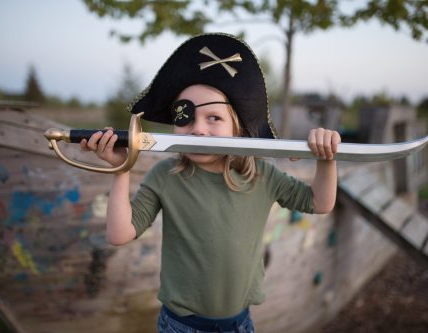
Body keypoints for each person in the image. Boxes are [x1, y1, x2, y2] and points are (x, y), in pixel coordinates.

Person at [80, 33, 340, 333]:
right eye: (185, 118)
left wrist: (326, 158)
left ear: (236, 127)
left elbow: (320, 202)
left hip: (240, 324)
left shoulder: (262, 176)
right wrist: (121, 168)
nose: (198, 130)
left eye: (214, 118)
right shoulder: (166, 177)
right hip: (180, 326)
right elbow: (119, 233)